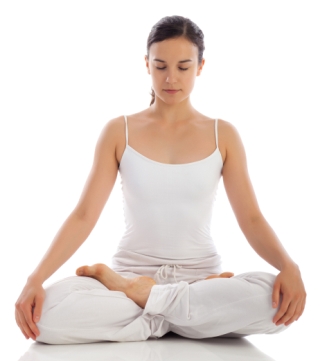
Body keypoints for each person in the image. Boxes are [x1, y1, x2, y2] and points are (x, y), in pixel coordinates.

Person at [15, 15, 306, 344]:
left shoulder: (222, 134)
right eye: (160, 66)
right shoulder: (118, 131)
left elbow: (251, 218)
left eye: (183, 67)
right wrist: (35, 277)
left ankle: (148, 306)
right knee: (48, 315)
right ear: (146, 64)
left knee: (280, 303)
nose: (171, 78)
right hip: (129, 276)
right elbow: (84, 215)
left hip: (200, 278)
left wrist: (288, 266)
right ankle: (182, 317)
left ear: (200, 66)